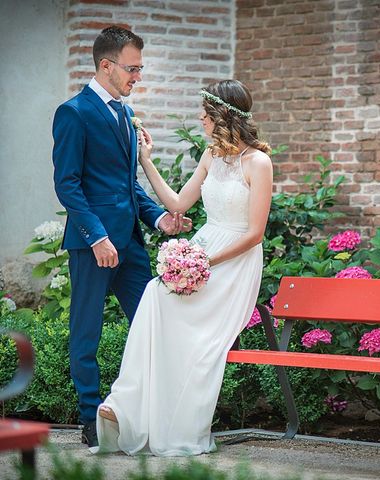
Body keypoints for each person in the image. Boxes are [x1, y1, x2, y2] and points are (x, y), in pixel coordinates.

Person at [93, 79, 273, 456]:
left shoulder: (258, 162)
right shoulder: (211, 156)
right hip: (204, 247)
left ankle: (179, 427)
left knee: (200, 341)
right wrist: (145, 160)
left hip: (234, 261)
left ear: (224, 116)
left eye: (205, 115)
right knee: (155, 296)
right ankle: (125, 406)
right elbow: (177, 203)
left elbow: (255, 234)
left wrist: (206, 260)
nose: (200, 121)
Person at [52, 25, 190, 448]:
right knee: (86, 331)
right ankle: (90, 417)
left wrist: (159, 220)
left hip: (130, 244)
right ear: (105, 65)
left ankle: (143, 411)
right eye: (132, 69)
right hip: (93, 246)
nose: (137, 77)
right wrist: (95, 236)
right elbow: (68, 183)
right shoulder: (73, 112)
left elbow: (128, 185)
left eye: (140, 69)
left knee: (150, 325)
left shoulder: (127, 115)